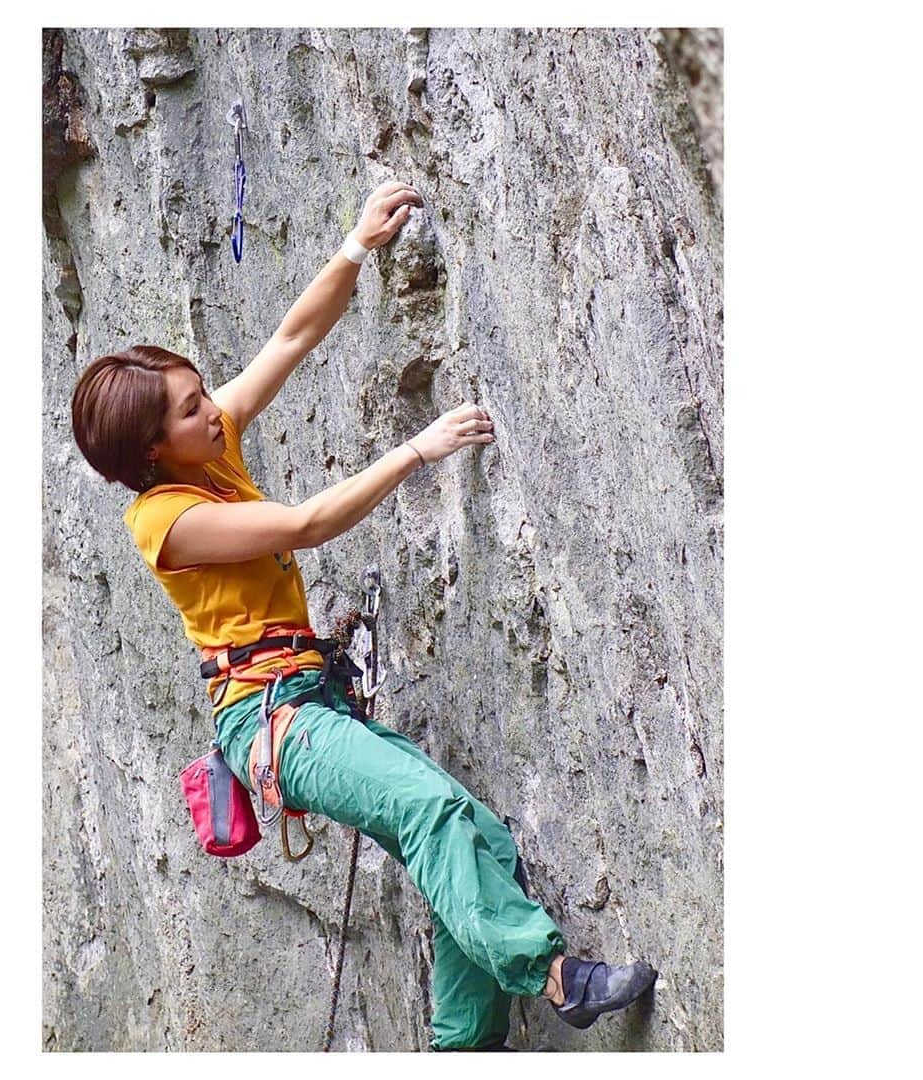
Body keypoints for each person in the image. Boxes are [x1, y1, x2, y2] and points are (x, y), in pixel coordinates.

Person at [70, 180, 657, 1050]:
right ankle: (555, 976)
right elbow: (306, 524)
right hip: (272, 722)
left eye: (201, 394)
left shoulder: (207, 449)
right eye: (193, 409)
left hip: (309, 703)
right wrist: (415, 452)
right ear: (155, 450)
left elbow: (292, 338)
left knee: (477, 829)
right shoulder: (166, 520)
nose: (214, 409)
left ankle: (466, 1049)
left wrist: (356, 246)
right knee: (430, 809)